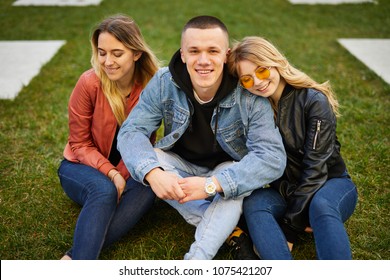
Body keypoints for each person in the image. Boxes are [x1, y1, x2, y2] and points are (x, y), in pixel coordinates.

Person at [117, 15, 286, 260]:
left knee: (236, 181)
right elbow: (132, 131)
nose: (203, 60)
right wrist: (154, 174)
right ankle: (227, 226)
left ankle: (197, 260)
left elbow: (272, 158)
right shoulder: (164, 82)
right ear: (183, 54)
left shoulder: (248, 92)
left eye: (213, 51)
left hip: (225, 170)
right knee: (151, 158)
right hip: (181, 168)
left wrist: (213, 185)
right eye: (194, 51)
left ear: (226, 55)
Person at [228, 36, 358, 259]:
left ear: (275, 62)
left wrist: (291, 229)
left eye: (261, 70)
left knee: (321, 204)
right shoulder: (254, 108)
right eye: (247, 79)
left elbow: (316, 169)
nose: (258, 82)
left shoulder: (313, 100)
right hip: (285, 191)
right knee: (255, 203)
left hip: (329, 184)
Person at [57, 14, 160, 260]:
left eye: (117, 53)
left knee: (149, 188)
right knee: (104, 190)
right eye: (102, 52)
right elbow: (79, 144)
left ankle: (73, 257)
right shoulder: (89, 82)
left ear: (136, 53)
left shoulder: (151, 88)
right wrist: (112, 173)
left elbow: (145, 142)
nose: (107, 61)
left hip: (127, 168)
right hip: (79, 166)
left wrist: (123, 174)